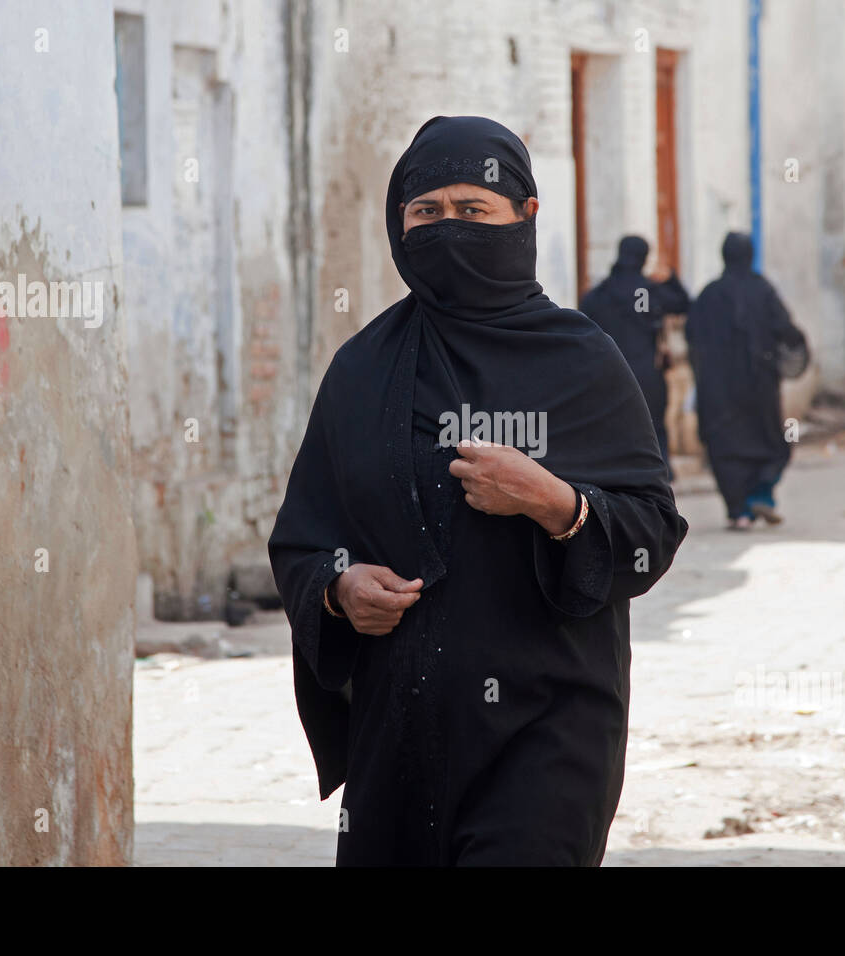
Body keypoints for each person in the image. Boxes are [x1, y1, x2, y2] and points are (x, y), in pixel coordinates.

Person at [267, 116, 688, 866]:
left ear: (524, 216)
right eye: (426, 212)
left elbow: (652, 533)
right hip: (397, 734)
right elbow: (304, 538)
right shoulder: (362, 369)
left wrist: (553, 501)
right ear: (398, 226)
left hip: (549, 732)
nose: (448, 229)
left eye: (474, 211)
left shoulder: (580, 360)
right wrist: (337, 590)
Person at [685, 232, 807, 530]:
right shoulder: (762, 290)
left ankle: (738, 510)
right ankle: (760, 494)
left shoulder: (708, 295)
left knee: (724, 447)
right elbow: (785, 328)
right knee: (771, 442)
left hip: (717, 389)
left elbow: (692, 335)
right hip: (759, 386)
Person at [579, 236, 690, 478]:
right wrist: (669, 276)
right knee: (654, 427)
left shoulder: (599, 294)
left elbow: (583, 325)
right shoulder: (649, 291)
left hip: (609, 373)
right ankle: (660, 475)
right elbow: (683, 303)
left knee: (613, 427)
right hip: (647, 372)